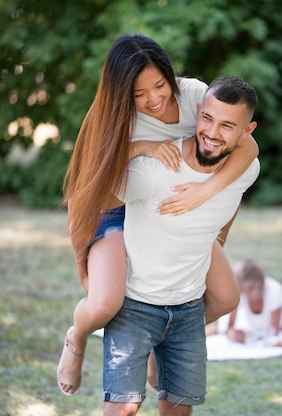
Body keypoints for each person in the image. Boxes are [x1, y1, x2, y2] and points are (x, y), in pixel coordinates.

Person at [58, 34, 259, 396]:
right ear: (121, 93)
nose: (153, 99)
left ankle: (158, 347)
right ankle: (77, 337)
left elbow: (247, 146)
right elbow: (82, 191)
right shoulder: (107, 117)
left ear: (171, 75)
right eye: (139, 94)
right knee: (104, 303)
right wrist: (141, 147)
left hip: (173, 211)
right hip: (116, 209)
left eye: (160, 85)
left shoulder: (196, 96)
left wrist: (207, 199)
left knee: (227, 296)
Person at [103, 75, 259, 415]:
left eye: (228, 126)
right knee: (121, 411)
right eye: (208, 118)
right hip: (135, 305)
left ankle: (160, 357)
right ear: (198, 111)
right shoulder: (158, 168)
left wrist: (207, 198)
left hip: (188, 310)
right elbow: (95, 193)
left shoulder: (246, 171)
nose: (213, 132)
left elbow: (229, 201)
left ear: (246, 132)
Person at [208, 258, 282, 344]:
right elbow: (230, 326)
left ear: (261, 282)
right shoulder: (240, 293)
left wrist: (249, 339)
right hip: (265, 323)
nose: (246, 294)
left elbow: (273, 332)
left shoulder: (273, 290)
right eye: (242, 289)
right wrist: (231, 333)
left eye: (251, 288)